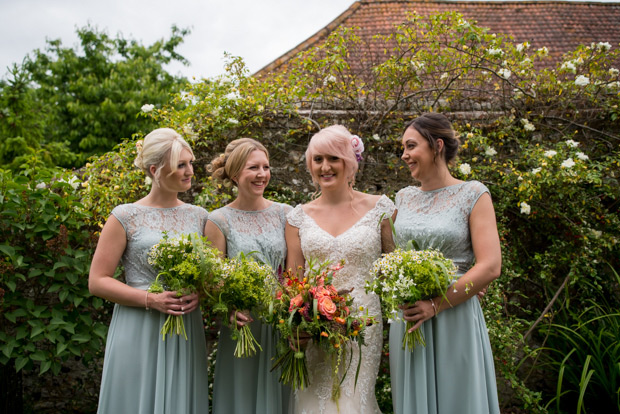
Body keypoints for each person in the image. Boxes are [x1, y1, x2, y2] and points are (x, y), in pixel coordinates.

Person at [89, 128, 210, 414]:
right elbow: (97, 281)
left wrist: (200, 294)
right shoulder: (125, 215)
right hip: (137, 326)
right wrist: (151, 299)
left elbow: (210, 274)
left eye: (190, 163)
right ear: (155, 170)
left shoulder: (200, 217)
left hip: (185, 329)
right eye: (181, 165)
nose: (190, 171)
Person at [389, 113, 501, 414]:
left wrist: (436, 303)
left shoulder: (473, 194)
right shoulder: (403, 198)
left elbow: (490, 265)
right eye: (403, 147)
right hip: (410, 318)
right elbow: (391, 256)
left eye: (411, 146)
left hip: (454, 315)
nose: (404, 155)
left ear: (437, 145)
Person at [285, 125, 394, 414]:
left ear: (350, 161)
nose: (325, 166)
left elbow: (396, 271)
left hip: (363, 327)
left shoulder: (381, 210)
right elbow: (293, 282)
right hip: (315, 331)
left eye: (334, 158)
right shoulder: (297, 218)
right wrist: (296, 323)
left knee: (353, 401)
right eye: (318, 159)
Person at [205, 138, 292, 414]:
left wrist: (293, 310)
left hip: (281, 323)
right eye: (253, 167)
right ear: (234, 174)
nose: (262, 174)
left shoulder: (285, 214)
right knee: (241, 399)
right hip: (243, 324)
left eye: (266, 167)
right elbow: (212, 280)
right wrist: (229, 307)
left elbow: (293, 271)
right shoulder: (218, 220)